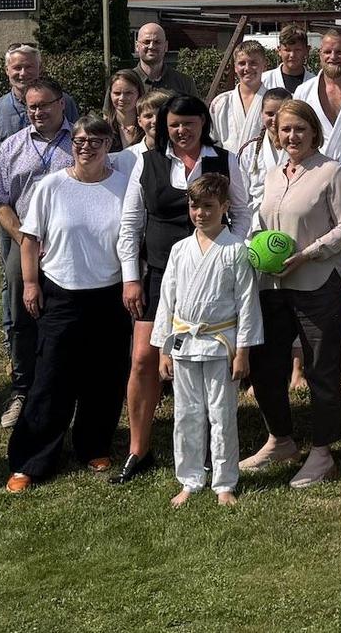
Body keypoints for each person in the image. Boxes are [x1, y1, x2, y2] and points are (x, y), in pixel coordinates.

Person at [115, 93, 250, 484]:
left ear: (202, 123)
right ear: (163, 125)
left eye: (189, 124)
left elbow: (242, 211)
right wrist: (131, 276)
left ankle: (212, 449)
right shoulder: (148, 161)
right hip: (159, 273)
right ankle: (138, 448)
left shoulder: (225, 160)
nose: (181, 131)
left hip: (213, 276)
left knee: (211, 359)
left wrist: (231, 254)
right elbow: (130, 223)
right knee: (144, 359)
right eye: (174, 124)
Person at [4, 115, 131, 492]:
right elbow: (29, 239)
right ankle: (32, 458)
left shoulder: (125, 187)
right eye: (79, 140)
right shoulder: (51, 186)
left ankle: (93, 445)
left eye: (96, 141)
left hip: (110, 292)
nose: (87, 147)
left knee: (104, 377)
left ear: (109, 145)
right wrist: (30, 284)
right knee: (51, 378)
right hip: (61, 291)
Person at [241, 100, 341, 486]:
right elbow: (263, 221)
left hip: (318, 284)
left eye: (299, 130)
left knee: (320, 371)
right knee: (264, 367)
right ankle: (281, 439)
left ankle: (323, 454)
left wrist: (309, 253)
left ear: (314, 132)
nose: (291, 136)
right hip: (273, 285)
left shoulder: (332, 171)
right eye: (285, 129)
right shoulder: (274, 174)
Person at [153, 173, 261, 506]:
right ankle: (189, 479)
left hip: (220, 343)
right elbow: (166, 300)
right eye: (195, 206)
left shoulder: (236, 251)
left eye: (208, 207)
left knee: (222, 413)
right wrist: (163, 350)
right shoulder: (180, 250)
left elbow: (247, 303)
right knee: (186, 414)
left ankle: (224, 481)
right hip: (184, 341)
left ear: (225, 207)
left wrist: (242, 351)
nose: (200, 213)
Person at [0, 76, 75, 430]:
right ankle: (23, 390)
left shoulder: (79, 142)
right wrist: (23, 239)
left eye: (44, 105)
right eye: (31, 106)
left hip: (71, 246)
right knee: (23, 317)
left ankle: (67, 388)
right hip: (25, 246)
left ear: (60, 104)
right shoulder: (12, 147)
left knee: (68, 317)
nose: (37, 112)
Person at [0, 44, 80, 141]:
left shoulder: (62, 102)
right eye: (17, 67)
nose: (23, 73)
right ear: (7, 70)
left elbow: (78, 139)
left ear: (40, 68)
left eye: (29, 67)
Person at [292, 26, 341, 138]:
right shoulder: (303, 91)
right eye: (327, 52)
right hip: (316, 155)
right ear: (320, 54)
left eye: (339, 52)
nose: (333, 57)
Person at [209, 40, 271, 154]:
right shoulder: (220, 103)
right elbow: (213, 143)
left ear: (264, 65)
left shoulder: (274, 102)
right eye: (242, 63)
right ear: (235, 67)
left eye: (253, 63)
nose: (247, 68)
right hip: (229, 168)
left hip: (265, 169)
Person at [236, 89, 289, 209]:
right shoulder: (249, 151)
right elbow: (240, 198)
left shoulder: (302, 149)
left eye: (281, 113)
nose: (275, 119)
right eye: (270, 114)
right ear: (261, 114)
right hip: (258, 220)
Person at [134, 22, 199, 97]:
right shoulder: (125, 82)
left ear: (166, 46)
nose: (151, 46)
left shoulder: (185, 83)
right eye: (146, 42)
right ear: (137, 46)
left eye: (157, 42)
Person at [260, 23, 315, 95]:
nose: (292, 55)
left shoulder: (314, 83)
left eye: (297, 50)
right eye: (287, 50)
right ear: (279, 51)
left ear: (307, 50)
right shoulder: (264, 81)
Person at [107, 69, 148, 150]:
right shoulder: (103, 129)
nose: (122, 98)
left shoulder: (148, 127)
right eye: (117, 93)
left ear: (139, 94)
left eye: (128, 93)